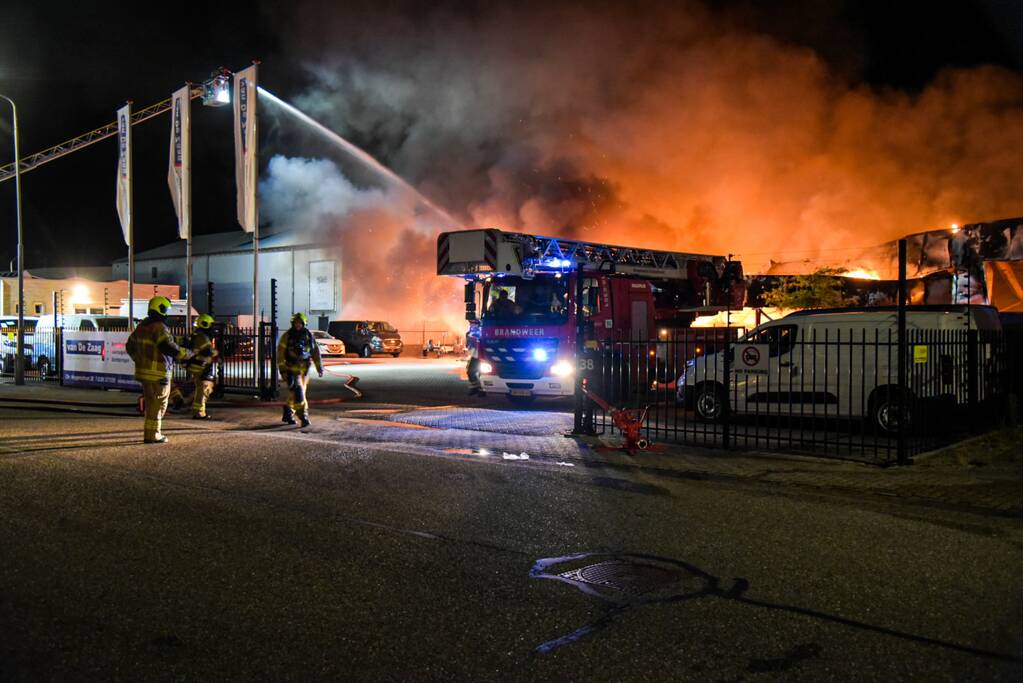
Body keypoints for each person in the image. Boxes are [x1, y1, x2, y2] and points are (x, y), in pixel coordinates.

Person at [126, 296, 192, 444]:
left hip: (144, 373)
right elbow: (168, 347)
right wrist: (187, 354)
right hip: (158, 374)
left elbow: (129, 346)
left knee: (151, 404)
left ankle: (151, 433)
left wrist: (140, 360)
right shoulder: (159, 327)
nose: (167, 313)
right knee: (159, 404)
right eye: (166, 310)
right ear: (160, 308)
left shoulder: (141, 327)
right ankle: (153, 435)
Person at [277, 312, 323, 427]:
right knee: (299, 394)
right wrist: (283, 371)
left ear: (304, 323)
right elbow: (280, 355)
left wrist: (319, 368)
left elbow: (315, 352)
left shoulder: (308, 336)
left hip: (305, 371)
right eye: (296, 323)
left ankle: (288, 411)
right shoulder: (287, 336)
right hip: (291, 371)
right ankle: (303, 416)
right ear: (293, 323)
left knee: (296, 393)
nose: (298, 325)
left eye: (300, 323)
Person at [182, 314, 219, 419]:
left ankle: (194, 407)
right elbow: (207, 352)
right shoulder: (202, 337)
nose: (212, 327)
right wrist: (215, 352)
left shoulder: (197, 335)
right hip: (201, 366)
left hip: (197, 366)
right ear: (205, 324)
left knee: (202, 389)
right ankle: (199, 412)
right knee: (205, 388)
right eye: (211, 325)